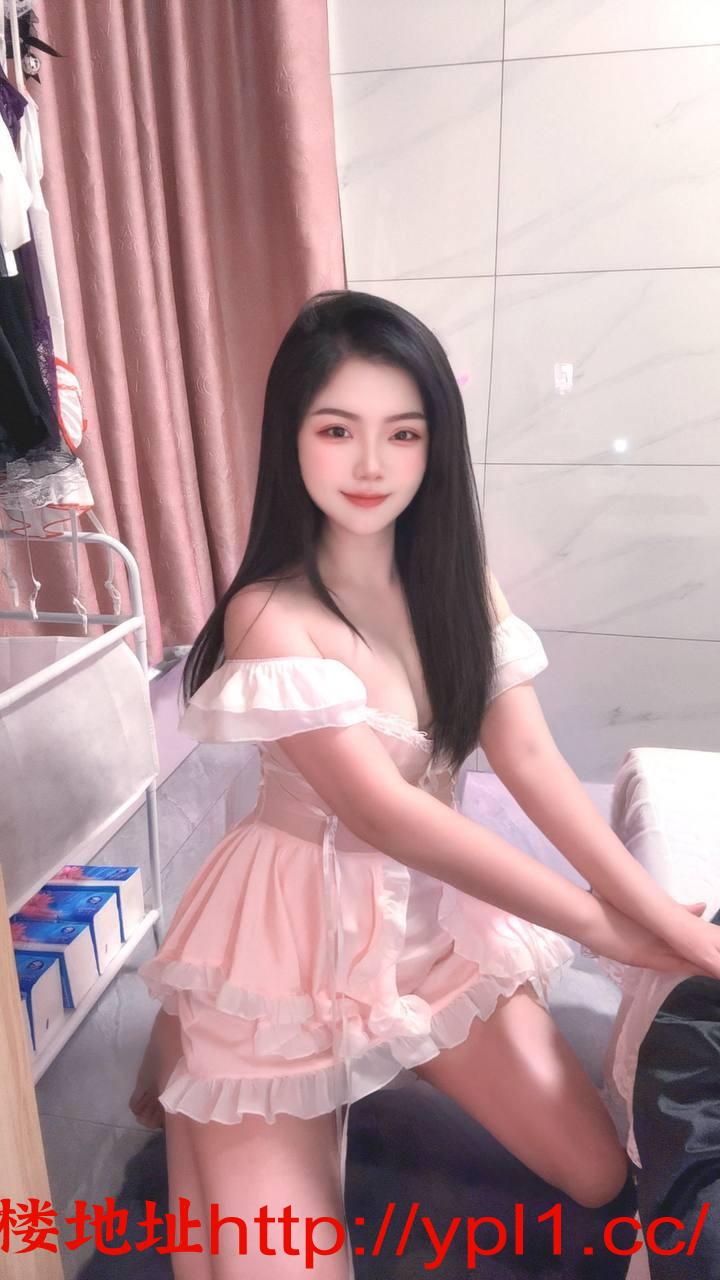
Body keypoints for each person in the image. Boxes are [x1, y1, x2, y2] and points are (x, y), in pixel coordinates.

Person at [129, 290, 720, 1279]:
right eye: (338, 430)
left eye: (402, 434)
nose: (371, 465)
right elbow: (386, 813)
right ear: (291, 438)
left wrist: (660, 917)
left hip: (434, 935)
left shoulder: (458, 581)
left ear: (433, 446)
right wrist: (606, 929)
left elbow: (529, 761)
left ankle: (333, 1052)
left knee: (593, 1173)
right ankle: (198, 1033)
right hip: (289, 946)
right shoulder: (268, 613)